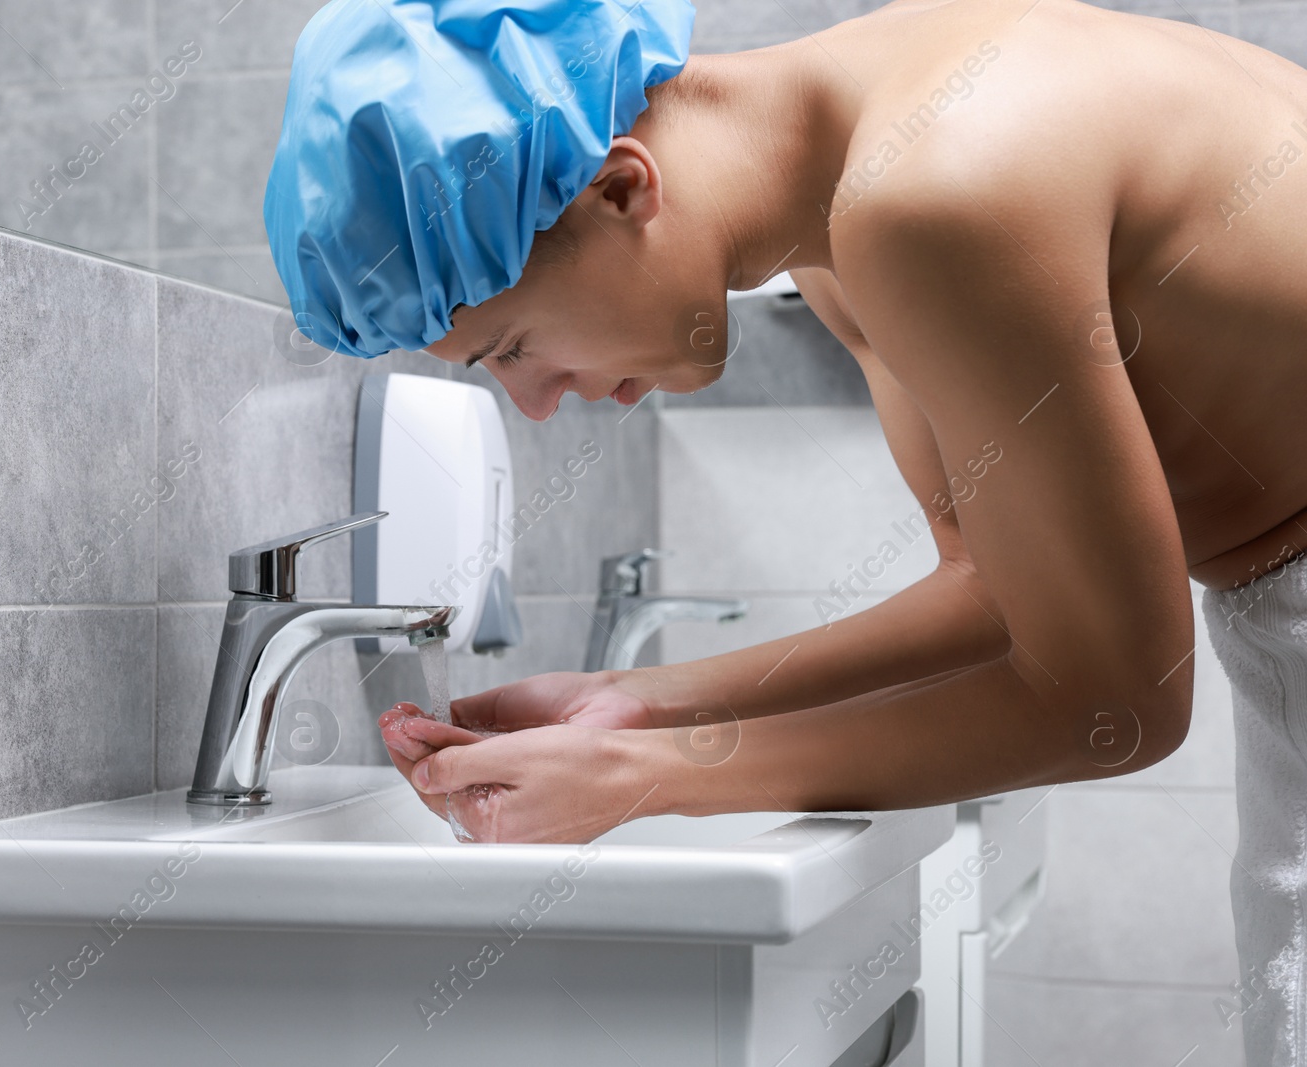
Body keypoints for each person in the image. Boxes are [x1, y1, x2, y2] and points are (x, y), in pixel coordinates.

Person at [264, 0, 1307, 1060]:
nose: (534, 402)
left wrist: (655, 777)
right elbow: (994, 587)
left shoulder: (932, 193)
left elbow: (1116, 699)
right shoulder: (851, 210)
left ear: (623, 187)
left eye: (514, 343)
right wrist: (637, 707)